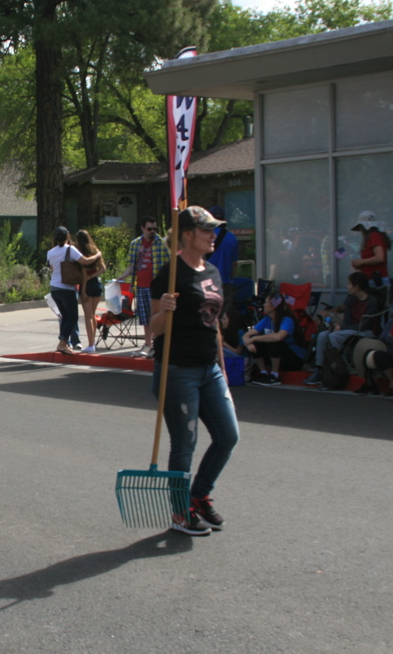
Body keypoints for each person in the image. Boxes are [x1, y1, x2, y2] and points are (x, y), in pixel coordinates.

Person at [150, 206, 239, 536]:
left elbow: (213, 325)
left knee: (228, 436)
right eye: (207, 230)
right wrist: (166, 311)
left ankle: (199, 495)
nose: (213, 234)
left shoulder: (212, 271)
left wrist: (222, 368)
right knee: (185, 444)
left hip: (209, 370)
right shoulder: (170, 274)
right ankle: (180, 511)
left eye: (214, 229)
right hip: (177, 371)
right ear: (187, 234)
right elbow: (154, 329)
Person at [304, 272, 379, 386]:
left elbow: (364, 324)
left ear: (357, 286)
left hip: (364, 331)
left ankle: (336, 369)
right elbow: (347, 319)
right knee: (323, 335)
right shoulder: (351, 299)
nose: (347, 286)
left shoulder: (371, 301)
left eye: (349, 284)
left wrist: (342, 328)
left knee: (334, 336)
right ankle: (319, 368)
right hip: (350, 328)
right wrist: (338, 324)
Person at [119, 216, 171, 358]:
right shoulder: (136, 244)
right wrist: (122, 277)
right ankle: (148, 344)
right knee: (145, 318)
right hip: (141, 285)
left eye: (155, 229)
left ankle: (157, 345)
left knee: (157, 315)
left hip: (157, 287)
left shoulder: (162, 243)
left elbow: (171, 264)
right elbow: (131, 265)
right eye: (149, 229)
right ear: (142, 228)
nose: (152, 231)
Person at [47, 227, 101, 354]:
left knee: (65, 317)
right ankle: (62, 343)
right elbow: (86, 261)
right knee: (72, 317)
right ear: (68, 236)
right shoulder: (70, 250)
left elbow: (51, 269)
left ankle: (64, 343)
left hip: (54, 288)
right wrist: (98, 254)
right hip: (66, 288)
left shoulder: (50, 252)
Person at [242, 293, 306, 385]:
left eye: (266, 302)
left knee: (273, 340)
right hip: (278, 357)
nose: (263, 305)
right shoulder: (267, 319)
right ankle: (263, 373)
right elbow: (247, 335)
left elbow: (279, 337)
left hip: (293, 360)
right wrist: (249, 343)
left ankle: (274, 376)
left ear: (273, 306)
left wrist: (254, 339)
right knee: (257, 341)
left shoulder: (287, 320)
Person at [75, 230, 106, 353]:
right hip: (97, 284)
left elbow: (83, 273)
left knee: (88, 316)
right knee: (93, 315)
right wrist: (93, 276)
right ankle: (92, 342)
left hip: (86, 285)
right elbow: (103, 268)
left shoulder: (81, 254)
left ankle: (90, 344)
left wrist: (83, 289)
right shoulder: (95, 251)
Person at [206, 205, 239, 305]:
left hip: (207, 283)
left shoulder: (205, 237)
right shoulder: (232, 238)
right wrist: (230, 279)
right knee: (225, 317)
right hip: (225, 283)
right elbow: (234, 264)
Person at [349, 211, 392, 287]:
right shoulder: (371, 237)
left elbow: (380, 258)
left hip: (376, 280)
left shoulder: (375, 236)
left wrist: (361, 262)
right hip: (371, 279)